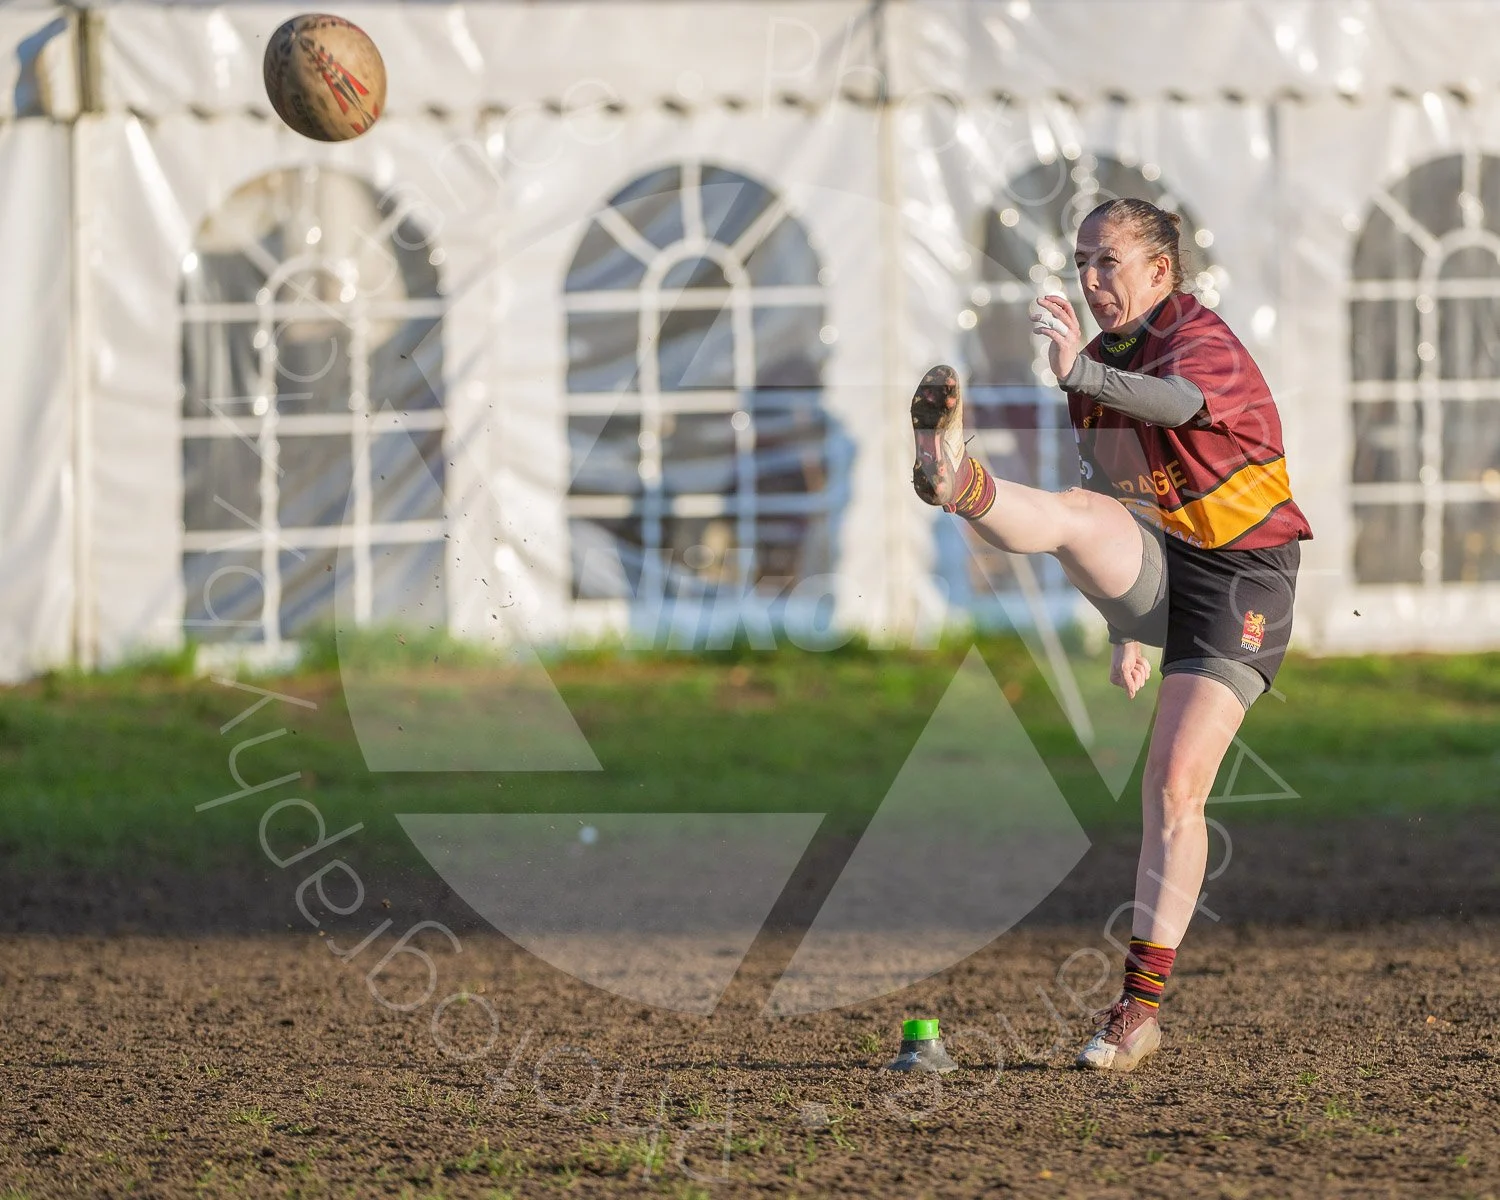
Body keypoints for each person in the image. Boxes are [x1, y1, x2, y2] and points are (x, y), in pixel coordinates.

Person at [910, 197, 1312, 1072]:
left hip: (1244, 578)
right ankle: (955, 481)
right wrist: (1127, 623)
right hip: (1167, 565)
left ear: (1161, 271)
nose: (1091, 281)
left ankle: (1138, 1009)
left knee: (1173, 785)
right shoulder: (1096, 366)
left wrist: (1077, 375)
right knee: (1071, 512)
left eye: (1109, 263)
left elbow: (1174, 404)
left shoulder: (1195, 338)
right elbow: (1122, 500)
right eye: (1083, 262)